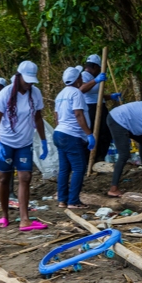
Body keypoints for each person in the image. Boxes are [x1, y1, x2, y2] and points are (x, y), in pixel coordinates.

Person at [0, 61, 48, 231]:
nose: (29, 84)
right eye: (26, 80)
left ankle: (25, 219)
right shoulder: (5, 93)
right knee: (4, 178)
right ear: (18, 77)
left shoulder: (35, 93)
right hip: (7, 141)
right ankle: (4, 215)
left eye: (31, 81)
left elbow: (38, 117)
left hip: (25, 142)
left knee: (25, 177)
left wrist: (44, 140)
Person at [53, 67, 96, 208]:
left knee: (64, 169)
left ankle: (62, 200)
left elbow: (56, 117)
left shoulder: (60, 94)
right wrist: (89, 134)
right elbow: (78, 114)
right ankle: (73, 201)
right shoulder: (76, 93)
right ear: (77, 79)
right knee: (79, 168)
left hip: (59, 133)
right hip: (71, 135)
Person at [78, 54, 110, 161]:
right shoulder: (85, 75)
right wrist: (96, 81)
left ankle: (99, 157)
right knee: (94, 133)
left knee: (105, 133)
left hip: (100, 105)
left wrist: (111, 96)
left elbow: (97, 94)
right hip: (91, 107)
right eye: (99, 68)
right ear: (95, 67)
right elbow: (81, 89)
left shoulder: (93, 77)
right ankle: (89, 159)